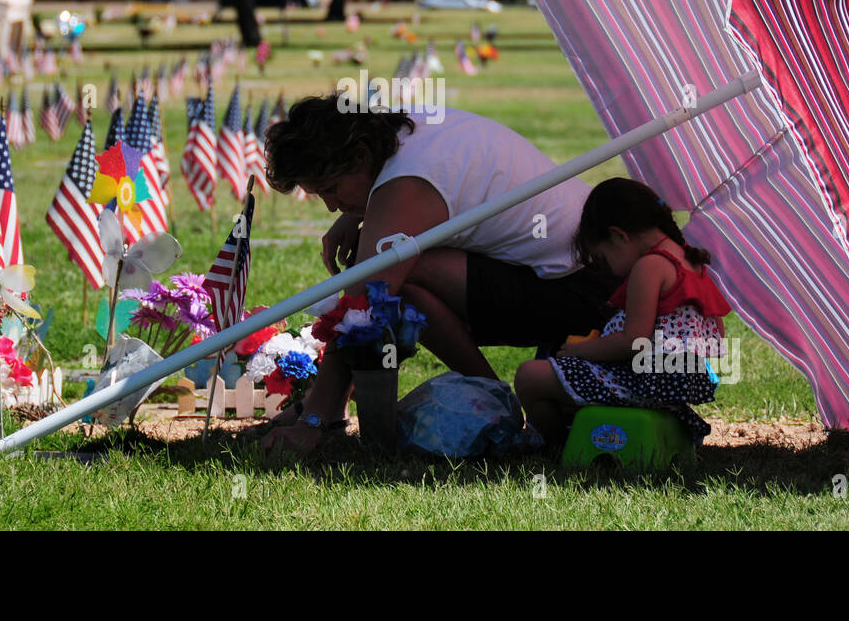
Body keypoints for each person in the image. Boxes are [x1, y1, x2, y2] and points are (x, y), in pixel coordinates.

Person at [258, 96, 619, 453]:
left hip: (588, 293)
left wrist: (313, 421)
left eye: (331, 190)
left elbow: (361, 309)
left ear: (360, 156)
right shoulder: (401, 131)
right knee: (388, 264)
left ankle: (498, 406)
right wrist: (354, 216)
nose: (331, 205)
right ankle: (339, 406)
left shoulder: (406, 185)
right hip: (593, 271)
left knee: (398, 279)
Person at [513, 178, 731, 448]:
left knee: (529, 377)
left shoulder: (650, 266)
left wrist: (580, 351)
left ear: (618, 236)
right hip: (674, 383)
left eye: (603, 259)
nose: (610, 271)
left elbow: (633, 340)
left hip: (645, 382)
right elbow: (716, 333)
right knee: (561, 376)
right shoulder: (691, 261)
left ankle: (562, 444)